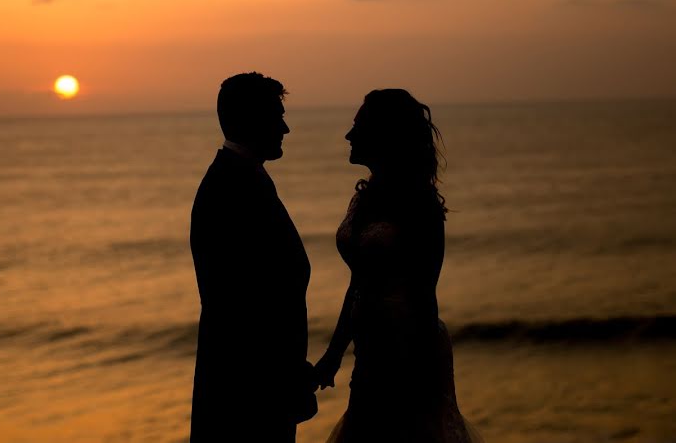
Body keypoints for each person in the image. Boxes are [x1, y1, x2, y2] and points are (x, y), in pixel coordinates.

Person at [315, 89, 482, 443]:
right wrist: (333, 354)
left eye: (357, 127)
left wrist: (418, 372)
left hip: (408, 349)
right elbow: (357, 283)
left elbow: (425, 294)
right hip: (369, 345)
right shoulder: (364, 198)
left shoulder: (419, 206)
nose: (348, 135)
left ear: (383, 136)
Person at [189, 72, 317, 443]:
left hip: (259, 386)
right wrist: (283, 374)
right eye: (277, 117)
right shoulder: (229, 188)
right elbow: (242, 303)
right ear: (251, 120)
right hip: (247, 393)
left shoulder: (244, 178)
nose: (286, 128)